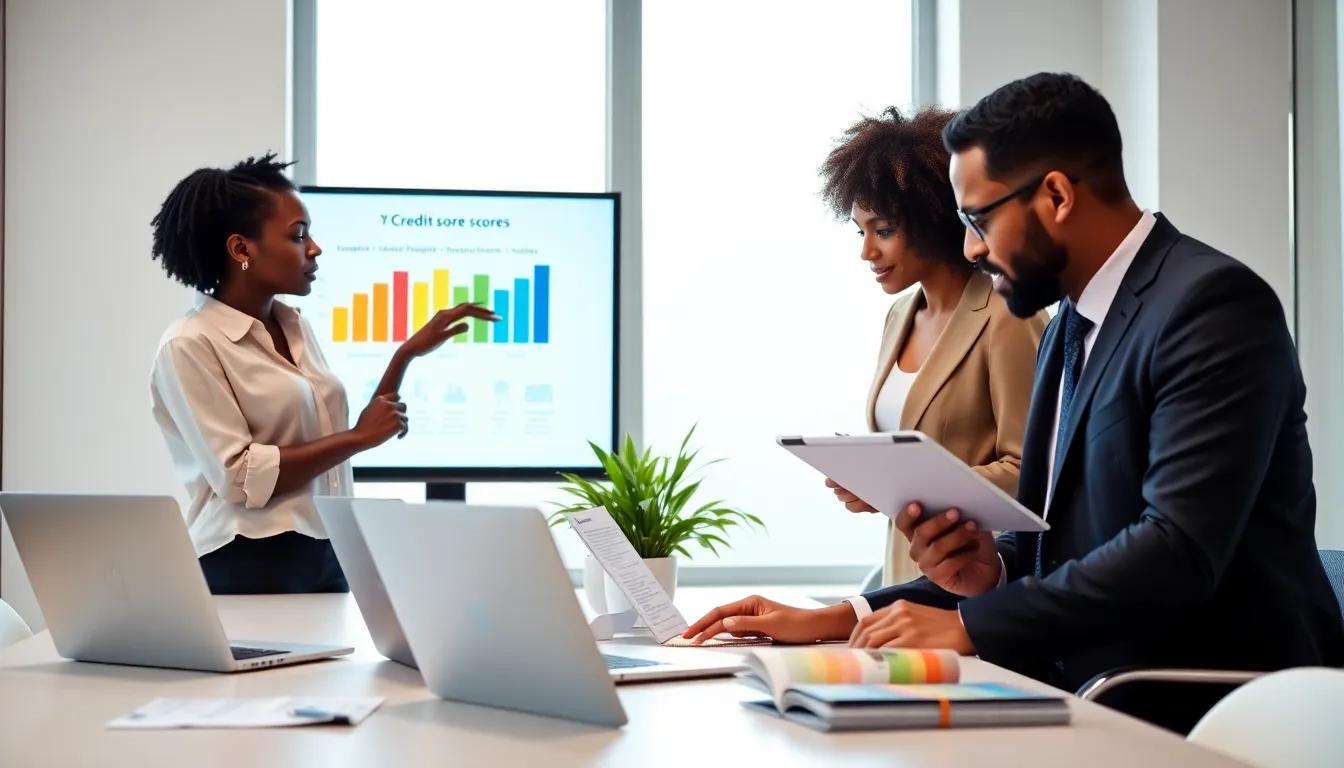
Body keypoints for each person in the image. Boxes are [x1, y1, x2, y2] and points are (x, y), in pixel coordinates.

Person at [685, 73, 1344, 733]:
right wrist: (976, 573)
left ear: (1056, 194)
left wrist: (970, 623)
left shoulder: (1211, 306)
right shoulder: (1068, 324)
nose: (971, 246)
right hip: (1088, 686)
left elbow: (1176, 549)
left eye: (978, 219)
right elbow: (1054, 542)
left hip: (1210, 706)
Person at [149, 154, 496, 595]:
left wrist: (404, 356)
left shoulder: (294, 325)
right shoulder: (190, 344)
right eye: (298, 236)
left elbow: (339, 437)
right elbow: (239, 476)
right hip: (248, 559)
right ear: (241, 249)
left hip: (327, 549)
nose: (314, 249)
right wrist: (358, 438)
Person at [818, 106, 1047, 585]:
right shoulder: (900, 316)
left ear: (931, 219)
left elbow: (1035, 473)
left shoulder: (1007, 313)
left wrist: (905, 484)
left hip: (982, 584)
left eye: (883, 231)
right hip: (902, 580)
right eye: (861, 231)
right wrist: (875, 484)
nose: (867, 251)